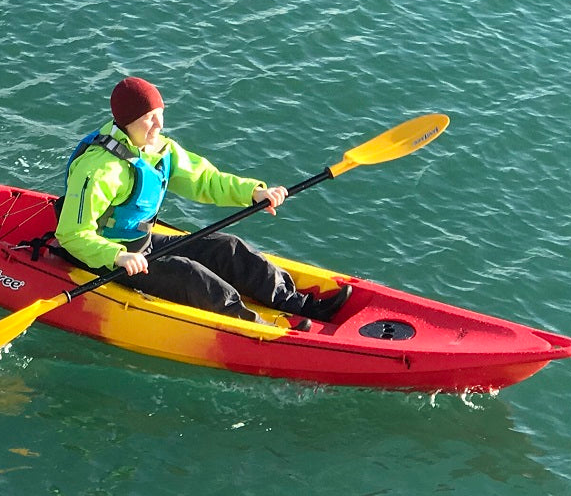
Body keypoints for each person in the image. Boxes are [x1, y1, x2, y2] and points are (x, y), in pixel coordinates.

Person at [54, 77, 350, 324]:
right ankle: (256, 329)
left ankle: (299, 303)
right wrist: (118, 257)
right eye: (148, 118)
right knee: (193, 277)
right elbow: (72, 234)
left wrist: (254, 192)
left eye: (160, 113)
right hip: (106, 259)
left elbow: (205, 180)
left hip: (141, 247)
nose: (159, 124)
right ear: (128, 121)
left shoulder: (159, 150)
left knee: (228, 247)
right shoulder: (99, 170)